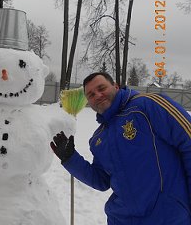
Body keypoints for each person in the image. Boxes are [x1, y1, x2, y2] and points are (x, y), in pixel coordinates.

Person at [51, 72, 191, 225]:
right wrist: (71, 159)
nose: (97, 95)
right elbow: (101, 180)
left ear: (116, 86)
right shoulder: (98, 139)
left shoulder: (147, 105)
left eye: (101, 88)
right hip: (120, 219)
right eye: (91, 94)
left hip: (168, 217)